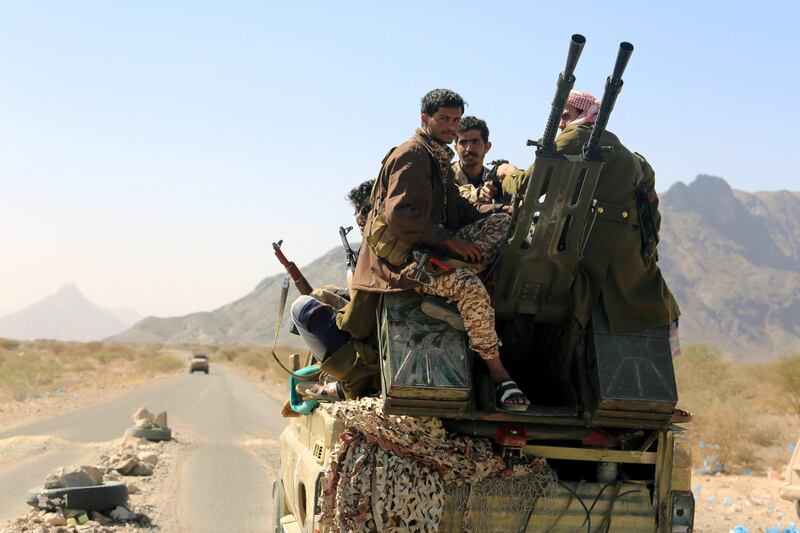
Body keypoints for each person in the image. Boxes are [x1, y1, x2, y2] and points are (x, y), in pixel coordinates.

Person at [351, 88, 529, 412]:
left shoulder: (437, 157)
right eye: (444, 119)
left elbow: (458, 208)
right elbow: (400, 216)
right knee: (470, 287)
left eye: (455, 120)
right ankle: (500, 373)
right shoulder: (413, 155)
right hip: (405, 264)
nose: (451, 127)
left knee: (501, 225)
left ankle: (457, 283)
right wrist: (451, 243)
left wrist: (498, 213)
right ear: (425, 119)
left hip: (430, 249)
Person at [498, 89, 680, 336]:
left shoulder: (573, 136)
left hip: (581, 267)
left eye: (566, 116)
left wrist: (506, 173)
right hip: (631, 272)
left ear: (582, 114)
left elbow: (528, 186)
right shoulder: (630, 157)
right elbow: (652, 218)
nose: (562, 124)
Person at [452, 116, 507, 210]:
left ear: (487, 147)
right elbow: (455, 195)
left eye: (475, 141)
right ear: (456, 148)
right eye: (463, 142)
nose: (469, 148)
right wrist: (479, 194)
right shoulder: (445, 174)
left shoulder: (494, 179)